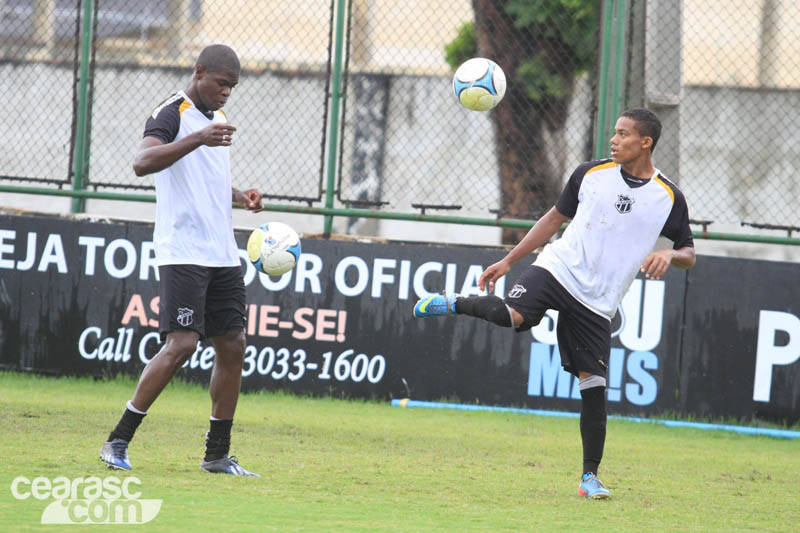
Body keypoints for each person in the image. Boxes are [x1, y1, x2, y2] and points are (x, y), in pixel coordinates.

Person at [413, 108, 695, 499]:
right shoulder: (589, 174)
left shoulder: (668, 197)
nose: (613, 140)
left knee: (594, 386)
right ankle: (456, 303)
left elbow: (688, 252)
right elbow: (552, 220)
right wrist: (509, 259)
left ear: (645, 142)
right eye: (614, 132)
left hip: (598, 301)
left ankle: (589, 478)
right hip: (559, 268)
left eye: (623, 134)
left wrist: (670, 256)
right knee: (514, 316)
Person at [100, 44, 264, 477]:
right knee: (183, 344)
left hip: (222, 252)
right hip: (184, 251)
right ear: (200, 72)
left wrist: (239, 196)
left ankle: (216, 455)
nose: (227, 92)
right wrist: (195, 138)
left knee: (233, 346)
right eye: (222, 83)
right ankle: (117, 440)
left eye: (233, 86)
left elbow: (206, 181)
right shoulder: (172, 112)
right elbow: (141, 162)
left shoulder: (219, 122)